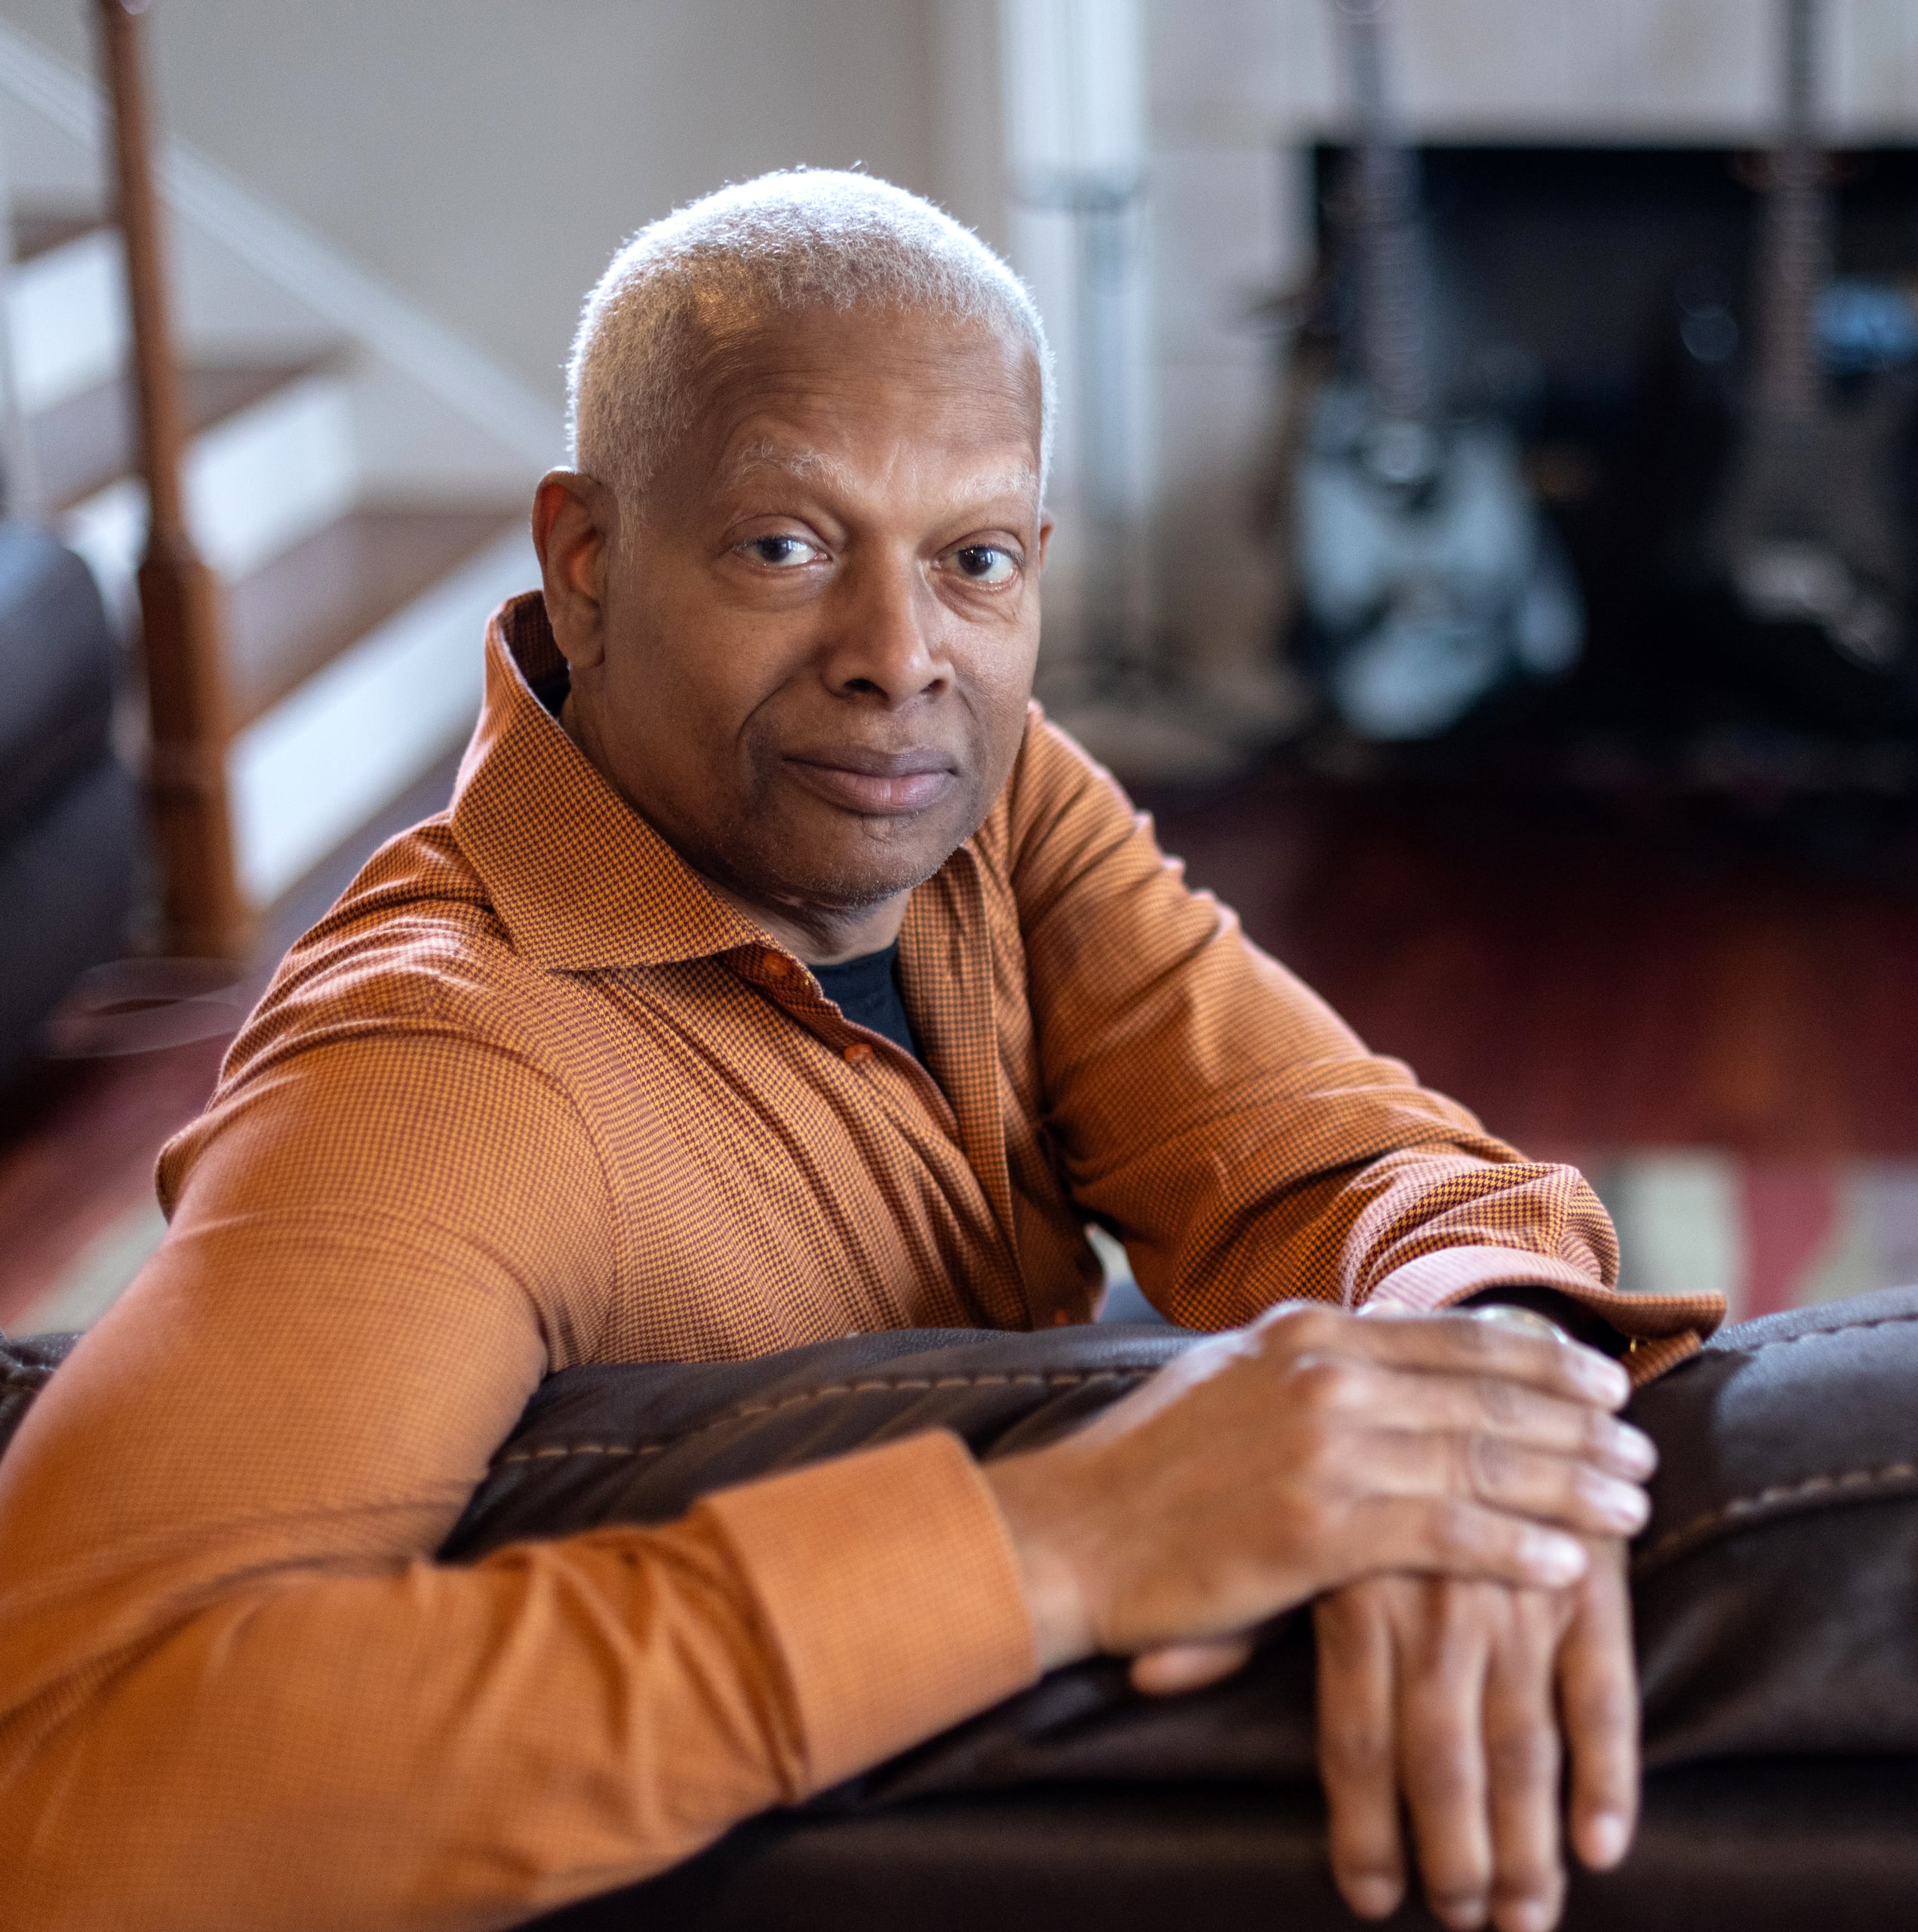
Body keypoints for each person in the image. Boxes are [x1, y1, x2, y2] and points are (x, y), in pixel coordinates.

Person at [0, 171, 1720, 1932]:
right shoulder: (439, 1070)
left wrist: (1478, 1384)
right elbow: (69, 1771)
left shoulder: (989, 798)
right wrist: (1070, 1541)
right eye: (787, 546)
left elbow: (1324, 1158)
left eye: (972, 561)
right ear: (586, 567)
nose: (901, 660)